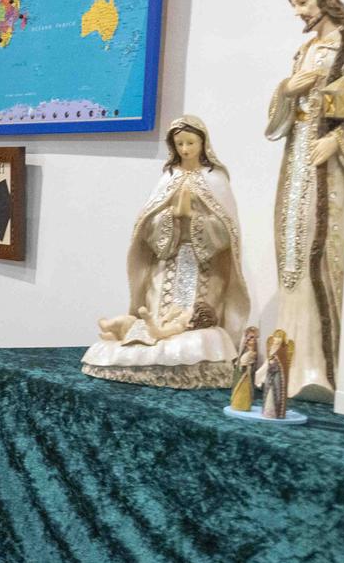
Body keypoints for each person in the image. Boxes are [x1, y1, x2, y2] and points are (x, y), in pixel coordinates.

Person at [263, 0, 344, 401]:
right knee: (293, 254)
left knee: (321, 252)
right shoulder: (304, 51)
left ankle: (320, 362)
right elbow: (278, 123)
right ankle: (288, 359)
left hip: (327, 169)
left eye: (302, 3)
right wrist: (286, 89)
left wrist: (338, 140)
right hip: (297, 160)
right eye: (294, 5)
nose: (298, 12)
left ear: (324, 0)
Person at [83, 116, 251, 388]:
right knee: (159, 307)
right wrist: (171, 218)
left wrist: (194, 220)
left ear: (203, 143)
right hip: (167, 261)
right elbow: (147, 226)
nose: (185, 149)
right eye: (180, 143)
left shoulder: (215, 179)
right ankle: (149, 336)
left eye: (191, 142)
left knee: (192, 320)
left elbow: (226, 231)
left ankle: (189, 356)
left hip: (202, 266)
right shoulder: (168, 177)